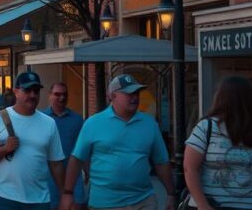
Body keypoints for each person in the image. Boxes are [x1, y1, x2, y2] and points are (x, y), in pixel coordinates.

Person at [61, 75, 173, 210]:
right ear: (113, 96)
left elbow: (161, 162)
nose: (135, 97)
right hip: (105, 203)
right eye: (129, 93)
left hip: (143, 200)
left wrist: (171, 193)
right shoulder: (94, 123)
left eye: (137, 93)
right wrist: (68, 192)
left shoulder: (149, 124)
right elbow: (77, 159)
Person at [0, 71, 64, 210]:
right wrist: (4, 149)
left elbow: (56, 164)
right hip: (6, 199)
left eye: (36, 91)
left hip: (40, 200)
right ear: (16, 91)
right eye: (27, 90)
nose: (32, 95)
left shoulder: (49, 123)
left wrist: (65, 194)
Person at [184, 76, 252, 210]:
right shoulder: (207, 127)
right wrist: (203, 205)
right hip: (214, 205)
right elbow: (190, 168)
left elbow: (189, 168)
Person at [41, 83, 84, 210]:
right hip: (47, 181)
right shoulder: (41, 119)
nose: (62, 98)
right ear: (49, 95)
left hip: (73, 179)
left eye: (64, 94)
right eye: (57, 94)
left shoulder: (77, 120)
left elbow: (83, 150)